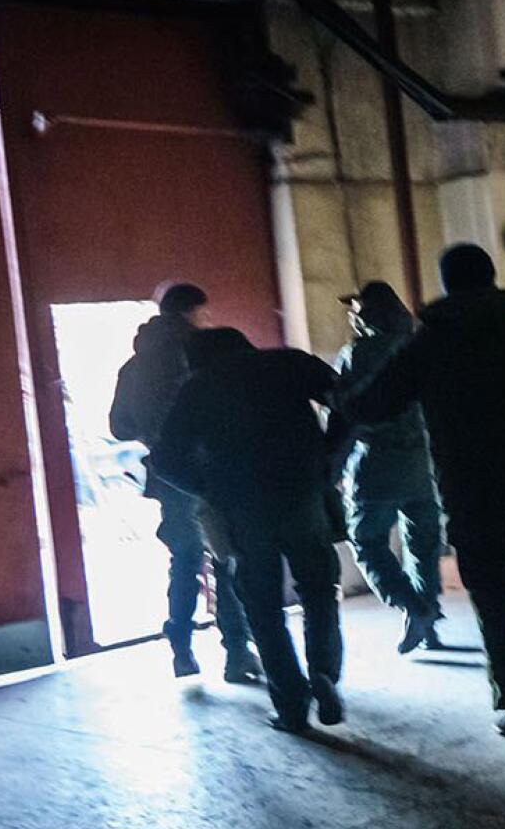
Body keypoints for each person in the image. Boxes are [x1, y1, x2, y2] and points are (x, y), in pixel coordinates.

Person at [343, 244, 505, 745]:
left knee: (492, 598)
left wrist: (340, 401)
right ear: (491, 277)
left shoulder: (428, 346)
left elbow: (373, 403)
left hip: (471, 489)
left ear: (447, 285)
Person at [150, 328, 347, 734]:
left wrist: (205, 487)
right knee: (318, 588)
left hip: (242, 508)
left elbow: (165, 459)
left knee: (262, 607)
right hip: (302, 493)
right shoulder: (289, 363)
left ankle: (291, 702)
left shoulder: (198, 387)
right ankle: (324, 672)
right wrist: (329, 456)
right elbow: (350, 401)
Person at [109, 281, 258, 684]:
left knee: (185, 561)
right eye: (205, 313)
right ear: (192, 312)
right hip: (211, 472)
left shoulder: (133, 365)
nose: (208, 321)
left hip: (168, 478)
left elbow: (119, 426)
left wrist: (153, 433)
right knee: (226, 561)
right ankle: (237, 653)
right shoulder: (202, 354)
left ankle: (182, 650)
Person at [334, 281, 446, 655]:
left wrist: (331, 465)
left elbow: (343, 412)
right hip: (422, 463)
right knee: (424, 546)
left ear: (366, 315)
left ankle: (412, 605)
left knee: (367, 542)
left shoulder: (356, 354)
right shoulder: (422, 344)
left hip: (375, 464)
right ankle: (428, 619)